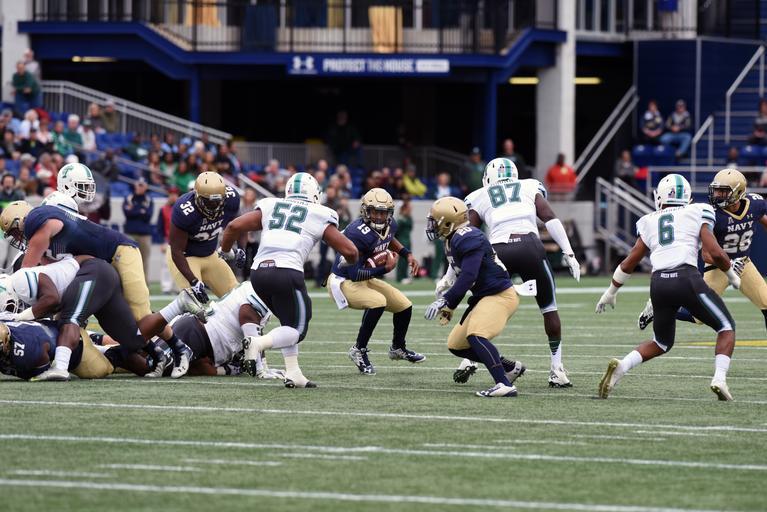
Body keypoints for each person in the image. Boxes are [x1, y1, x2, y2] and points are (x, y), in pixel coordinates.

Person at [0, 196, 191, 377]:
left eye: (15, 232)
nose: (17, 238)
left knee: (139, 314)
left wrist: (18, 311)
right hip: (98, 269)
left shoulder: (38, 221)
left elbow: (29, 272)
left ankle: (179, 345)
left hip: (118, 252)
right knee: (125, 333)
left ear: (23, 219)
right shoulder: (48, 244)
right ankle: (157, 353)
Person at [596, 174, 739, 401]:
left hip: (659, 284)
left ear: (660, 197)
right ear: (687, 197)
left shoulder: (649, 220)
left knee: (661, 342)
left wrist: (611, 292)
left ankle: (622, 366)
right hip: (686, 278)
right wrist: (732, 275)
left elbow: (629, 262)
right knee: (726, 327)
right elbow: (715, 251)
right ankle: (719, 379)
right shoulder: (698, 210)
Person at [220, 172, 359, 388]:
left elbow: (233, 227)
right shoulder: (319, 213)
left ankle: (293, 373)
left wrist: (227, 252)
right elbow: (351, 251)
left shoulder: (270, 205)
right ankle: (257, 343)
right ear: (315, 194)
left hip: (258, 273)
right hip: (286, 272)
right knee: (298, 329)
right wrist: (346, 263)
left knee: (288, 321)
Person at [463, 158, 580, 387]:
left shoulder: (480, 195)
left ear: (488, 178)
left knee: (481, 305)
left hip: (498, 252)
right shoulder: (529, 185)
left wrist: (452, 271)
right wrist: (569, 252)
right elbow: (549, 217)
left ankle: (469, 358)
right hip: (530, 248)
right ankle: (557, 370)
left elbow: (467, 235)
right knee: (549, 308)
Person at [638, 169, 767, 335]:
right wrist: (729, 264)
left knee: (766, 301)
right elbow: (706, 254)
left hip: (744, 263)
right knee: (699, 317)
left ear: (738, 192)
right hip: (718, 268)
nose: (717, 195)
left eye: (723, 191)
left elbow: (761, 217)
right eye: (716, 190)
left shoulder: (754, 204)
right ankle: (657, 308)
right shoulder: (713, 214)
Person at [424, 196, 525, 398]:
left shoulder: (468, 237)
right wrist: (450, 307)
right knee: (457, 345)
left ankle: (504, 384)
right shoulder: (452, 239)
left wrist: (446, 300)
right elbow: (463, 275)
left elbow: (469, 276)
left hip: (500, 295)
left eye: (435, 221)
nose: (432, 225)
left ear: (449, 222)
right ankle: (510, 368)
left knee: (476, 335)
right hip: (484, 296)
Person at [327, 188, 423, 375]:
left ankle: (398, 348)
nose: (379, 217)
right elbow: (355, 274)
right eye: (374, 212)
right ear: (365, 211)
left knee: (404, 305)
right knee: (378, 302)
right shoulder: (356, 233)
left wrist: (407, 254)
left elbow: (389, 237)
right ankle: (358, 350)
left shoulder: (390, 224)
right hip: (343, 281)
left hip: (365, 276)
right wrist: (385, 269)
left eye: (383, 212)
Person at [168, 171, 241, 303]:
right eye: (208, 202)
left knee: (237, 299)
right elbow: (176, 251)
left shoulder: (231, 199)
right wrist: (193, 282)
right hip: (185, 257)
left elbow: (237, 226)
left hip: (210, 254)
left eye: (217, 201)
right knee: (193, 305)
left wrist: (237, 248)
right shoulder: (185, 210)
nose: (213, 206)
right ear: (196, 195)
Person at [123, 178, 154, 282]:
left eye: (142, 185)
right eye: (139, 185)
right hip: (130, 233)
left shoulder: (148, 199)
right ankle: (129, 282)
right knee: (129, 259)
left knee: (144, 260)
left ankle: (144, 283)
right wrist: (141, 211)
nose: (140, 187)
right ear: (135, 185)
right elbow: (127, 213)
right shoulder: (129, 198)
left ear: (146, 187)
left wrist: (134, 210)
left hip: (144, 235)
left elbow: (148, 215)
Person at [157, 186, 180, 293]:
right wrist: (162, 242)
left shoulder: (182, 209)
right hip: (168, 240)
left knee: (180, 265)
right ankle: (166, 287)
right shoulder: (163, 209)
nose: (173, 197)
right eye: (171, 194)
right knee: (166, 264)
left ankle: (177, 287)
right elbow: (160, 227)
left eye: (175, 194)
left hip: (180, 240)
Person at [395, 196, 413, 284]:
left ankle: (405, 276)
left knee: (407, 259)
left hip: (407, 240)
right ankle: (400, 277)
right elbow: (396, 232)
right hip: (401, 241)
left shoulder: (408, 218)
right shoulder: (400, 219)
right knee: (402, 260)